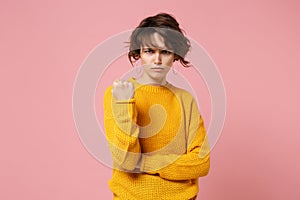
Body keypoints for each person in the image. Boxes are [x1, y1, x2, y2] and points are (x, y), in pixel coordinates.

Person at [103, 13, 210, 200]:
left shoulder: (185, 100)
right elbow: (126, 161)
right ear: (139, 53)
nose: (157, 60)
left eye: (165, 52)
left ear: (175, 55)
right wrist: (124, 104)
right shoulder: (118, 93)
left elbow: (201, 163)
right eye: (149, 51)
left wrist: (146, 163)